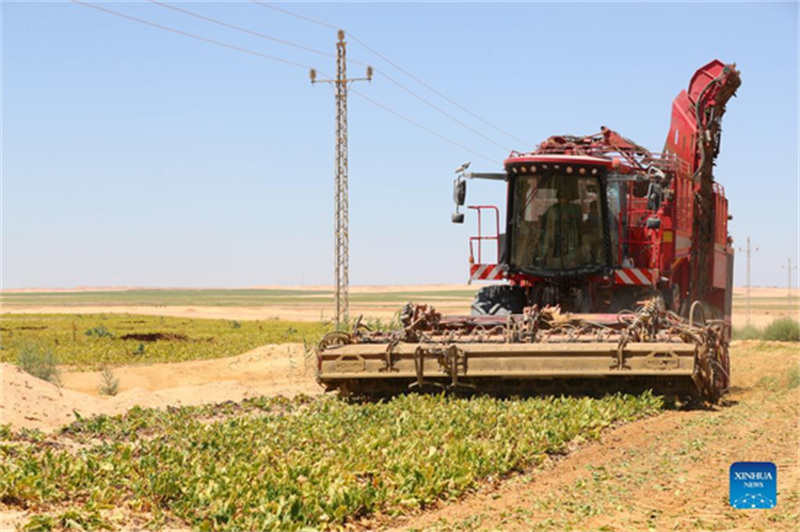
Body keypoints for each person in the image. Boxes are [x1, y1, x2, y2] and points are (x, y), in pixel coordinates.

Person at [538, 187, 583, 268]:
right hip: (556, 235)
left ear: (568, 198)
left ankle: (571, 262)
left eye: (563, 197)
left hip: (571, 235)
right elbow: (544, 221)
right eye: (559, 197)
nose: (561, 200)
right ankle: (542, 258)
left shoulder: (575, 209)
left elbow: (578, 222)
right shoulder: (553, 208)